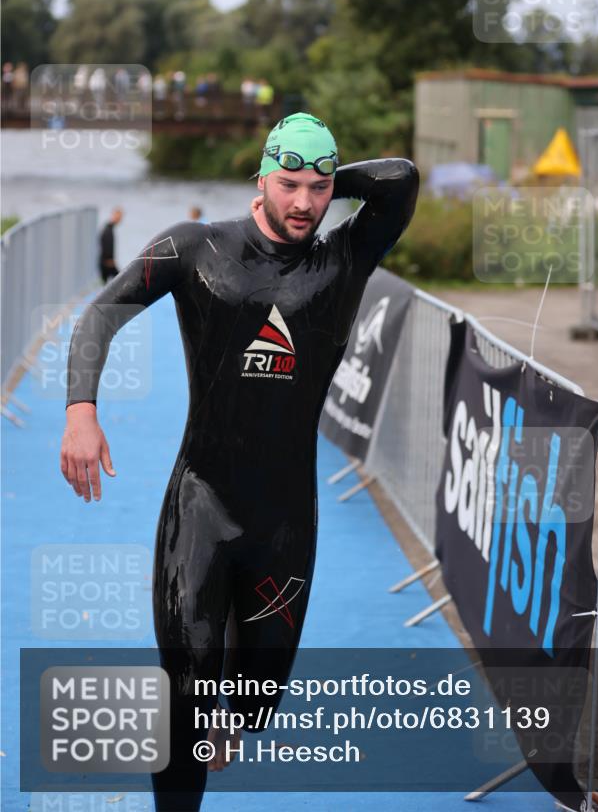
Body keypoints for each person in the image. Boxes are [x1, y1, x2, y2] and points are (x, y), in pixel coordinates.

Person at [60, 112, 419, 811]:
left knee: (253, 705)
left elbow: (399, 181)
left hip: (283, 523)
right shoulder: (197, 248)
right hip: (201, 504)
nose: (304, 204)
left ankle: (228, 712)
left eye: (318, 190)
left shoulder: (344, 257)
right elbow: (101, 312)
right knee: (186, 700)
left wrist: (315, 171)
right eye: (286, 185)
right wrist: (81, 411)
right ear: (258, 177)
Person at [98, 207, 123, 282]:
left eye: (120, 217)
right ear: (113, 216)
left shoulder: (109, 228)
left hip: (106, 262)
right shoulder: (108, 230)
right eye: (118, 217)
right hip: (107, 263)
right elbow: (105, 244)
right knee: (120, 280)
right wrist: (109, 260)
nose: (120, 219)